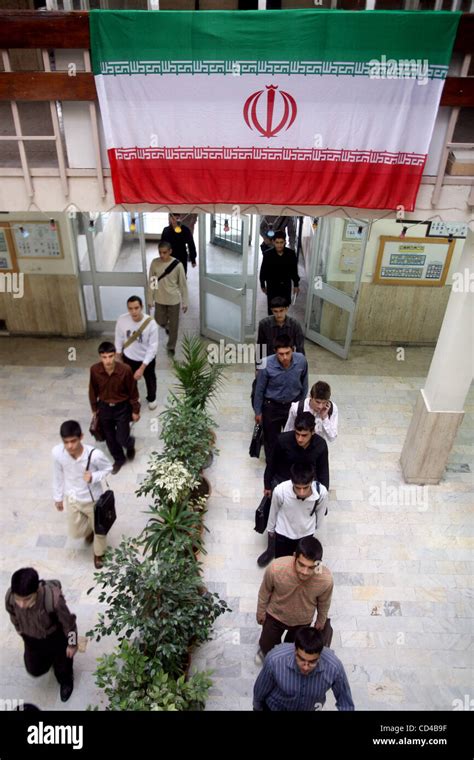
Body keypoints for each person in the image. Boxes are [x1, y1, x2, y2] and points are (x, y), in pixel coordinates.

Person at [5, 568, 78, 703]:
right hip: (31, 638)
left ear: (36, 591)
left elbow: (70, 624)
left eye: (27, 599)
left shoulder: (53, 600)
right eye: (18, 599)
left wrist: (72, 644)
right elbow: (12, 613)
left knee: (62, 666)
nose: (21, 604)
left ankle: (66, 681)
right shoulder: (10, 596)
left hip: (54, 638)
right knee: (34, 669)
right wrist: (19, 629)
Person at [256, 537, 333, 661]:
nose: (305, 572)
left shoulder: (325, 580)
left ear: (319, 564)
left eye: (311, 567)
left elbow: (324, 602)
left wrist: (320, 621)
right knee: (267, 646)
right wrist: (261, 611)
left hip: (302, 622)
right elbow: (265, 591)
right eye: (301, 565)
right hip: (275, 616)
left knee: (293, 651)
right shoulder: (276, 568)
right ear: (294, 557)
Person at [52, 420, 112, 570]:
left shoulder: (95, 455)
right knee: (75, 531)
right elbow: (57, 475)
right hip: (72, 497)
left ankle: (99, 554)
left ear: (81, 437)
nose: (70, 446)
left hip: (93, 499)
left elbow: (108, 468)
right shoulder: (58, 453)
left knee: (100, 530)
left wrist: (93, 476)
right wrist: (58, 497)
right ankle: (88, 530)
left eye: (73, 441)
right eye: (66, 442)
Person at [253, 626, 354, 711]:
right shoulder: (275, 660)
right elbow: (260, 690)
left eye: (312, 662)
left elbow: (345, 702)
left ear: (320, 655)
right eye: (301, 659)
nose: (306, 667)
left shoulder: (334, 667)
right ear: (295, 650)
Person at [253, 335, 308, 462]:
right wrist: (258, 412)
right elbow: (259, 390)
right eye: (281, 354)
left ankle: (289, 463)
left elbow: (304, 385)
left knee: (293, 437)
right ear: (275, 352)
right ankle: (271, 464)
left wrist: (301, 406)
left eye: (287, 353)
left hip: (292, 406)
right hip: (271, 407)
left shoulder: (302, 361)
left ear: (293, 349)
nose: (284, 357)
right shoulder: (265, 363)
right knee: (271, 440)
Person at [89, 341, 140, 474]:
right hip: (104, 408)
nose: (108, 360)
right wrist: (94, 409)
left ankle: (130, 444)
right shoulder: (94, 370)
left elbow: (133, 391)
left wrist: (135, 410)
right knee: (110, 438)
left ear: (115, 355)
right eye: (104, 357)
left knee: (121, 437)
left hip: (122, 408)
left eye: (111, 356)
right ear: (100, 357)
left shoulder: (125, 370)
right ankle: (119, 459)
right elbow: (92, 390)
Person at [266, 463, 328, 561]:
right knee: (282, 561)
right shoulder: (280, 491)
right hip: (283, 532)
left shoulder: (321, 492)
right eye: (298, 488)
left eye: (305, 488)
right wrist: (270, 530)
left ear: (312, 481)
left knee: (302, 561)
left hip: (306, 533)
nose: (301, 492)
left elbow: (320, 512)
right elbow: (274, 511)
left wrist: (315, 527)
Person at [115, 295, 159, 411]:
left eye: (136, 308)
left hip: (146, 358)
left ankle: (152, 398)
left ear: (142, 307)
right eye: (130, 308)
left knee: (150, 379)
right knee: (130, 380)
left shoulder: (151, 323)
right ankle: (135, 398)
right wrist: (118, 356)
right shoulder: (122, 320)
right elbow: (119, 338)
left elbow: (153, 347)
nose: (133, 311)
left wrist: (142, 367)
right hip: (129, 357)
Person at [147, 240, 189, 356]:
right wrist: (150, 299)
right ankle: (167, 326)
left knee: (174, 325)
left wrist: (185, 302)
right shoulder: (155, 263)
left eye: (164, 252)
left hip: (174, 300)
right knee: (159, 320)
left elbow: (183, 285)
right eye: (160, 252)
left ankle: (171, 346)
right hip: (160, 299)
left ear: (170, 251)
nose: (162, 255)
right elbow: (152, 282)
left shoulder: (178, 265)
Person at [256, 296, 305, 368]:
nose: (279, 315)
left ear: (286, 309)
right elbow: (260, 347)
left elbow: (300, 348)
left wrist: (300, 367)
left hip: (288, 363)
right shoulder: (264, 324)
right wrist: (258, 367)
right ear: (271, 311)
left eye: (281, 310)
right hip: (270, 363)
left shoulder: (295, 325)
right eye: (275, 311)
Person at [259, 230, 299, 315]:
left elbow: (294, 271)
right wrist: (262, 284)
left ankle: (282, 327)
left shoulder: (291, 254)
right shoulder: (267, 254)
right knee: (272, 309)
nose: (279, 245)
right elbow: (263, 270)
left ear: (285, 242)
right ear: (273, 242)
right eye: (277, 242)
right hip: (272, 286)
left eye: (281, 242)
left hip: (285, 286)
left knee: (284, 309)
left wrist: (296, 285)